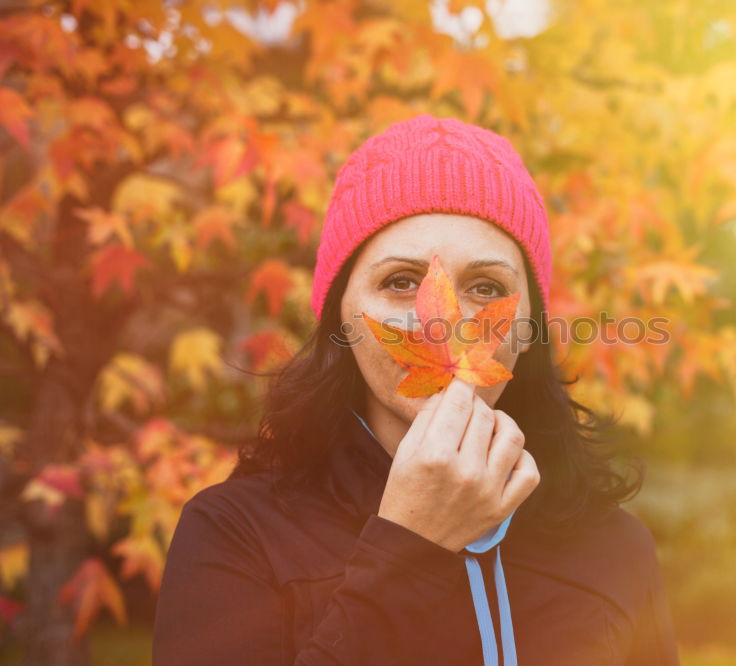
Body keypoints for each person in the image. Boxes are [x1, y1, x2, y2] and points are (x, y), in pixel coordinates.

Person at [152, 113, 681, 665]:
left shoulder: (615, 550)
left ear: (530, 330)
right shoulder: (237, 534)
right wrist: (409, 550)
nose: (442, 324)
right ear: (341, 320)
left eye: (486, 287)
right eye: (401, 282)